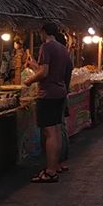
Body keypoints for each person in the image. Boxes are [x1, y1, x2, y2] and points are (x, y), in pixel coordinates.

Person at [24, 22, 73, 183]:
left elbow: (44, 73)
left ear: (43, 32)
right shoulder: (62, 49)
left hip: (48, 94)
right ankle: (55, 165)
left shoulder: (46, 47)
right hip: (60, 93)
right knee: (57, 131)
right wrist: (35, 66)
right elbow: (53, 70)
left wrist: (29, 81)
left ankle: (50, 171)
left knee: (49, 133)